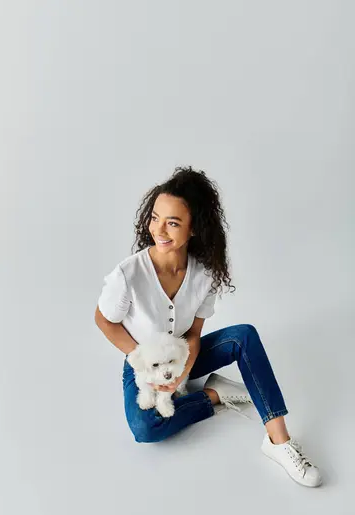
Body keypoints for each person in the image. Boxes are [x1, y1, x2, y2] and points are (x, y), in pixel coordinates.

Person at [95, 166, 322, 488]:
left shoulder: (204, 274)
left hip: (184, 357)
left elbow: (193, 334)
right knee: (145, 429)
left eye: (173, 223)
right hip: (145, 365)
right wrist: (145, 363)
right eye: (155, 217)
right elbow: (104, 319)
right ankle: (216, 394)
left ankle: (279, 442)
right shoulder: (128, 276)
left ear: (193, 229)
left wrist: (181, 374)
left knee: (244, 335)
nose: (159, 229)